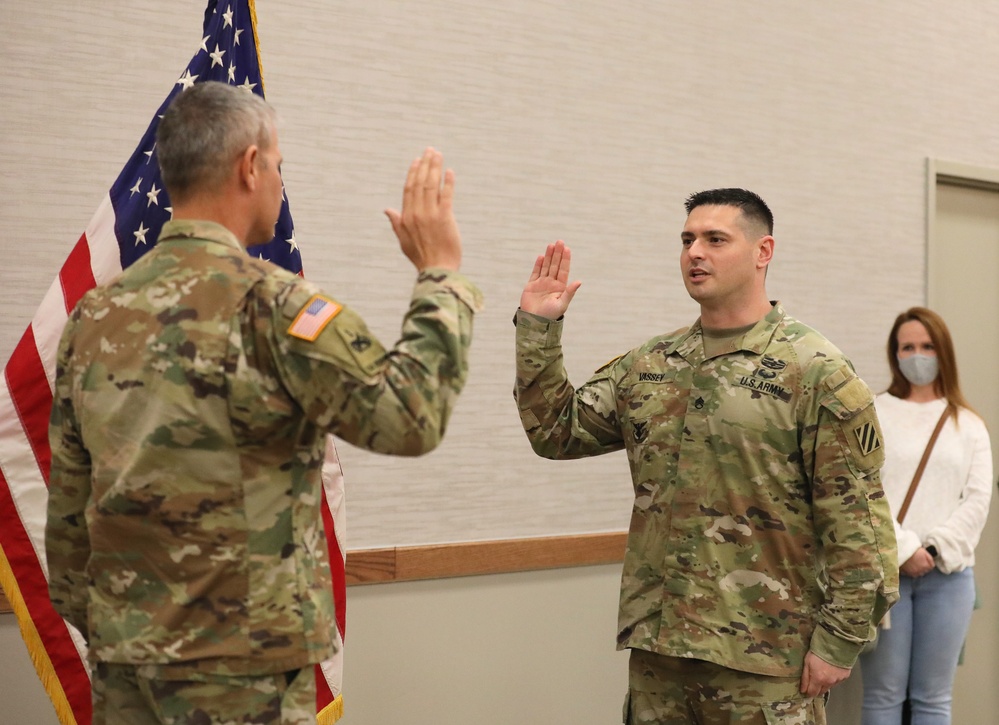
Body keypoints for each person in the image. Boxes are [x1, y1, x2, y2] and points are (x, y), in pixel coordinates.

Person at [45, 81, 482, 724]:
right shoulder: (276, 307)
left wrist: (130, 630)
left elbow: (67, 524)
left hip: (125, 666)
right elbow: (410, 419)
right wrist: (441, 273)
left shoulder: (93, 315)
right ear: (250, 166)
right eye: (279, 165)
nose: (280, 181)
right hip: (243, 676)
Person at [513, 188, 899, 724]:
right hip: (661, 653)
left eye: (716, 239)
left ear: (763, 251)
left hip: (766, 662)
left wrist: (838, 642)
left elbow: (858, 524)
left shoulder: (814, 371)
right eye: (688, 239)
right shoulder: (652, 363)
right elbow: (556, 432)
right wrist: (538, 330)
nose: (696, 252)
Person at [859, 307, 993, 725]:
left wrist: (932, 549)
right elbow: (864, 491)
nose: (918, 355)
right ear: (895, 354)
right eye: (908, 347)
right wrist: (907, 548)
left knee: (933, 699)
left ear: (943, 352)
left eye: (927, 346)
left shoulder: (968, 424)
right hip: (887, 573)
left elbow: (977, 499)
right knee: (883, 696)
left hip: (949, 577)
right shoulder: (876, 412)